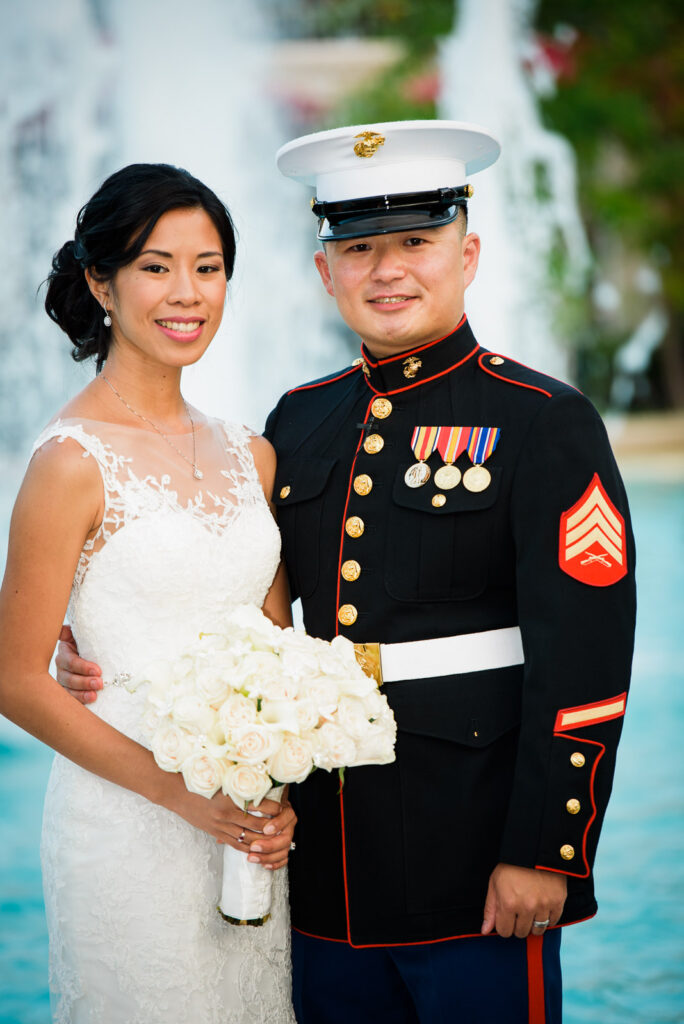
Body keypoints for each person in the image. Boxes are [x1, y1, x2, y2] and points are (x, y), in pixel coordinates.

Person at [57, 122, 637, 1024]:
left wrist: (550, 850)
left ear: (469, 252)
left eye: (416, 241)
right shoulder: (299, 422)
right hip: (321, 872)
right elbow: (234, 598)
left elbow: (588, 661)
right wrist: (90, 636)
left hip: (475, 861)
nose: (387, 270)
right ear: (325, 272)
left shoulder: (543, 420)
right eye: (358, 247)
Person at [0, 163, 297, 1024]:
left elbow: (279, 646)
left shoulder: (254, 453)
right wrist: (183, 799)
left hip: (248, 824)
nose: (187, 293)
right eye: (156, 265)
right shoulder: (69, 464)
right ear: (102, 281)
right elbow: (15, 678)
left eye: (208, 268)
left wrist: (281, 800)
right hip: (128, 823)